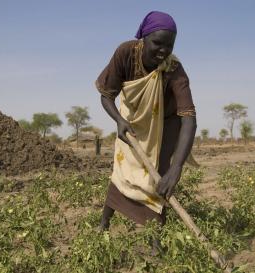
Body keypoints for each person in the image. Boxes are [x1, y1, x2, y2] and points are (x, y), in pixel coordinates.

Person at [95, 11, 197, 232]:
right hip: (129, 121)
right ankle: (104, 224)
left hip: (165, 126)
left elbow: (189, 118)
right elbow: (106, 95)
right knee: (123, 169)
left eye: (169, 45)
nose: (163, 51)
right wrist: (119, 120)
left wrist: (176, 167)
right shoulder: (125, 53)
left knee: (158, 178)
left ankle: (155, 238)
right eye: (157, 43)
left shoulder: (174, 70)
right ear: (144, 38)